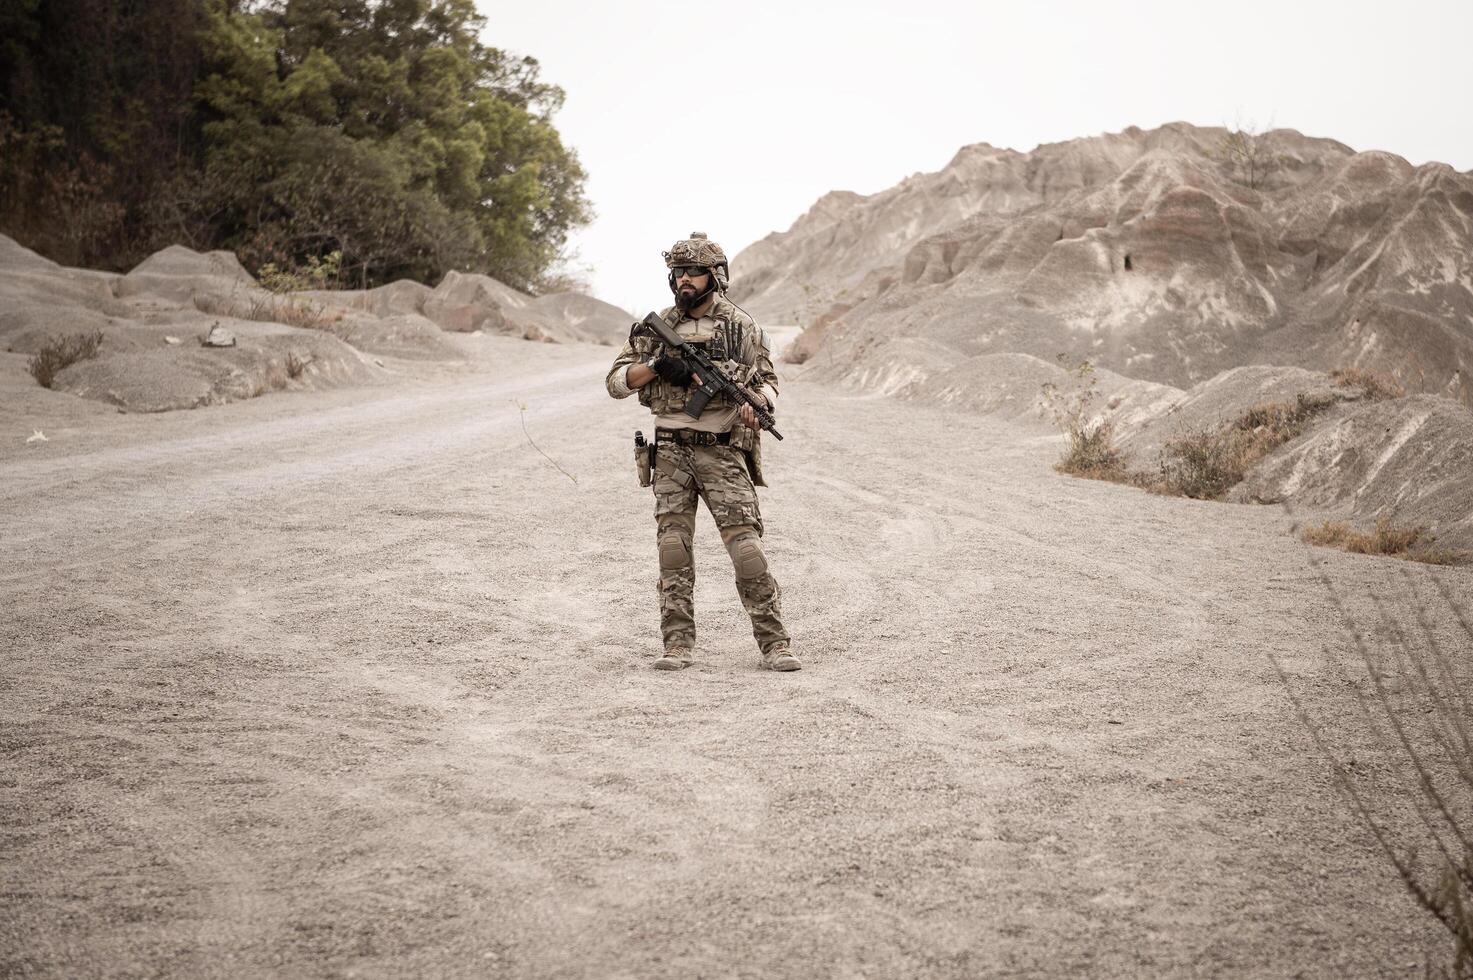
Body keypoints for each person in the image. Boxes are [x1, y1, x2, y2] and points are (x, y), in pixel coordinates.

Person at [606, 232, 798, 672]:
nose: (685, 280)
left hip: (722, 451)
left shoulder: (740, 325)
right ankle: (677, 644)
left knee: (746, 549)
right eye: (678, 273)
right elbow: (616, 383)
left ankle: (775, 643)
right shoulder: (653, 328)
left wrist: (760, 404)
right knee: (672, 548)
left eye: (694, 272)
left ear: (715, 276)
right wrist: (657, 367)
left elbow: (768, 381)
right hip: (671, 451)